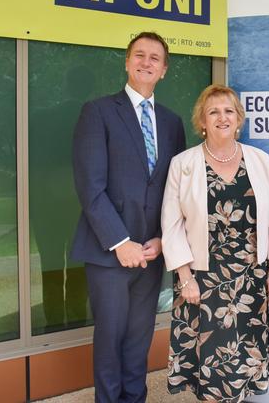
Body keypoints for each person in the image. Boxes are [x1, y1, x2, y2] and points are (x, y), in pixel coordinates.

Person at [71, 32, 186, 403]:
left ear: (164, 70)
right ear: (126, 61)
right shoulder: (99, 111)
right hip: (110, 252)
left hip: (151, 253)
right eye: (139, 55)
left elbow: (174, 191)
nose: (146, 62)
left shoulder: (171, 123)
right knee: (110, 337)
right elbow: (91, 187)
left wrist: (162, 239)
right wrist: (121, 243)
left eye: (155, 58)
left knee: (139, 339)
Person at [161, 84, 269, 403]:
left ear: (239, 119)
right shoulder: (184, 164)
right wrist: (184, 277)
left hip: (251, 280)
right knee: (213, 368)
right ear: (202, 121)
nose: (222, 117)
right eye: (213, 111)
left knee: (243, 362)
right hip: (203, 281)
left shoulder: (260, 161)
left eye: (229, 110)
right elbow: (172, 224)